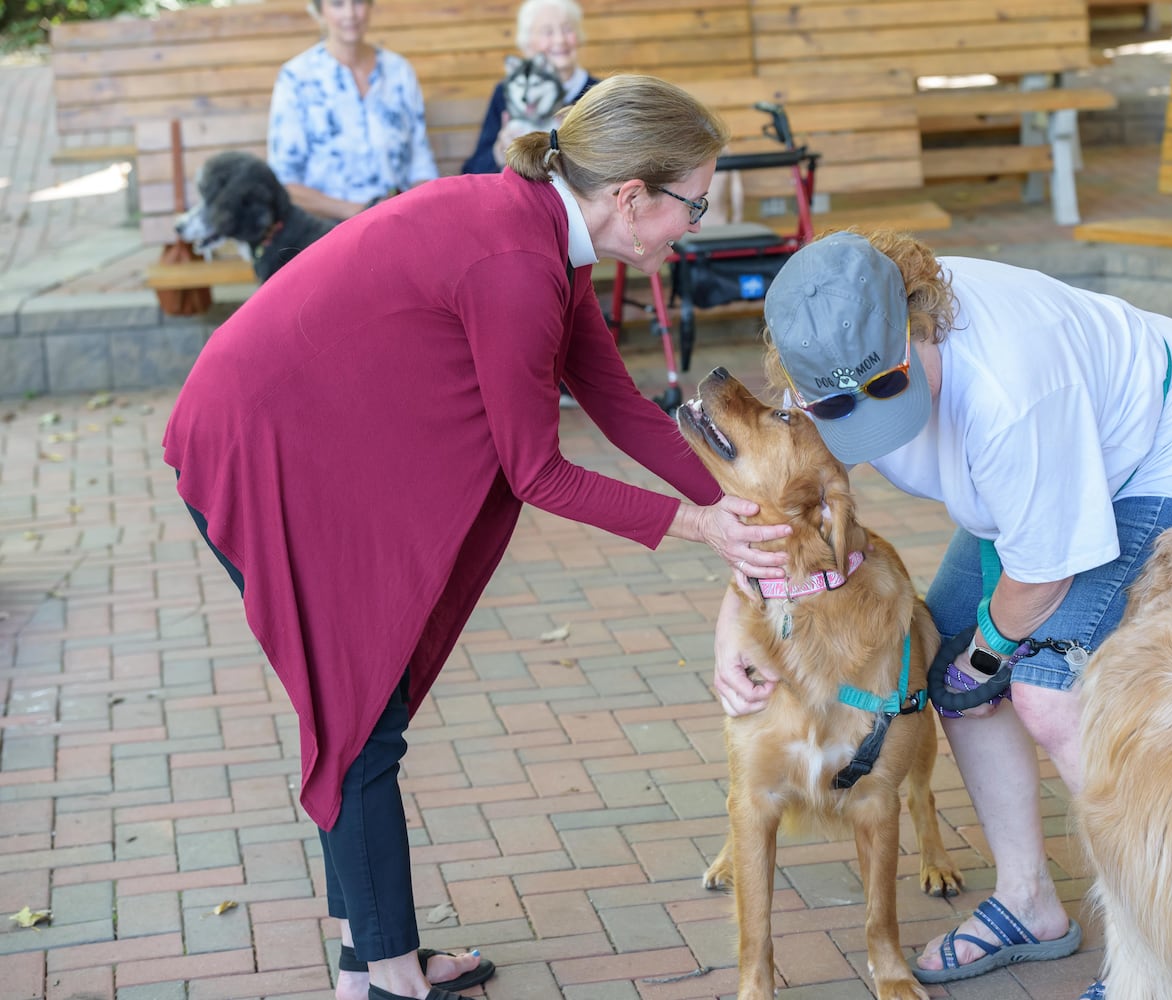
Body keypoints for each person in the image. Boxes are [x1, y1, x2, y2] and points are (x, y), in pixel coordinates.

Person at [165, 75, 790, 1000]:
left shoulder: (549, 236)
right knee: (360, 714)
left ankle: (370, 955)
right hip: (260, 443)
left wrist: (743, 505)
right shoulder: (518, 264)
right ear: (632, 196)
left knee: (360, 714)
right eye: (691, 204)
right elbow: (537, 471)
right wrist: (698, 525)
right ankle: (384, 978)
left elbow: (619, 405)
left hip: (306, 433)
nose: (692, 225)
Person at [711, 230, 1172, 1000]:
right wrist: (734, 625)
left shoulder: (1013, 390)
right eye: (837, 403)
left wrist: (990, 651)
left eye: (888, 386)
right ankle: (1029, 904)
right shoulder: (831, 362)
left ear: (919, 320)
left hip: (1165, 448)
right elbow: (793, 514)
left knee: (1048, 695)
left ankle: (1165, 957)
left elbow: (1043, 574)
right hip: (1026, 485)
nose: (867, 418)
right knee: (947, 671)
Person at [267, 0, 439, 222]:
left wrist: (414, 211)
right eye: (337, 4)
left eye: (358, 2)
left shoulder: (399, 71)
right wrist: (359, 211)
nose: (350, 14)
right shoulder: (296, 77)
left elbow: (421, 165)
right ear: (320, 11)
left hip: (399, 221)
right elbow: (284, 182)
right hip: (325, 229)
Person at [462, 0, 600, 175]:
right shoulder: (509, 93)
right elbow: (474, 169)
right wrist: (499, 152)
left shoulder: (599, 93)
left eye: (567, 29)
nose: (560, 39)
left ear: (579, 37)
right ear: (527, 45)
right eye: (547, 32)